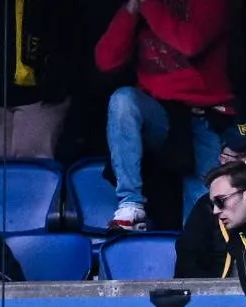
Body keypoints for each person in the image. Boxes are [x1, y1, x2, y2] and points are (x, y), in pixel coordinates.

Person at [96, 0, 238, 234]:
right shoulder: (140, 8)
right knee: (123, 99)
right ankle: (130, 203)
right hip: (161, 115)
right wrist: (130, 11)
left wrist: (147, 5)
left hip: (205, 114)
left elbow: (190, 44)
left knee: (202, 222)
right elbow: (105, 60)